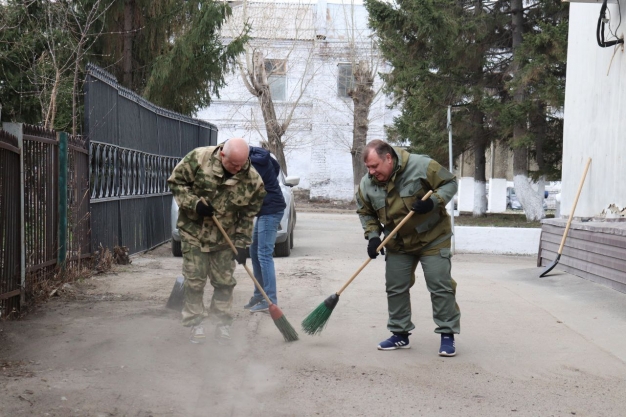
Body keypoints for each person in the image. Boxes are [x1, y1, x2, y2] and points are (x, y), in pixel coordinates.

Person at [355, 139, 460, 356]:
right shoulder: (367, 184)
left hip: (432, 237)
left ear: (388, 158)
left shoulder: (421, 166)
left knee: (439, 285)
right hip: (398, 241)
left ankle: (447, 334)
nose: (371, 172)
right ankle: (400, 334)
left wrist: (434, 201)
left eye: (375, 166)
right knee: (396, 287)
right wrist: (373, 237)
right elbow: (366, 212)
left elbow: (450, 183)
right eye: (368, 167)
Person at [168, 138, 266, 343]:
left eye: (242, 164)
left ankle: (222, 324)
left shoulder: (253, 181)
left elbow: (248, 215)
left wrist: (241, 244)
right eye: (233, 164)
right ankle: (195, 324)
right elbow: (176, 183)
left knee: (224, 283)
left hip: (225, 238)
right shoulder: (198, 158)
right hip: (194, 233)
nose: (238, 169)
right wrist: (194, 204)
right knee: (194, 281)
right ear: (222, 154)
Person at [243, 146, 287, 313]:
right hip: (267, 208)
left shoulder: (250, 165)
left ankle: (270, 300)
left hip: (271, 209)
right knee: (254, 251)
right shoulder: (259, 154)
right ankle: (259, 294)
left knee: (263, 254)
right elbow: (275, 168)